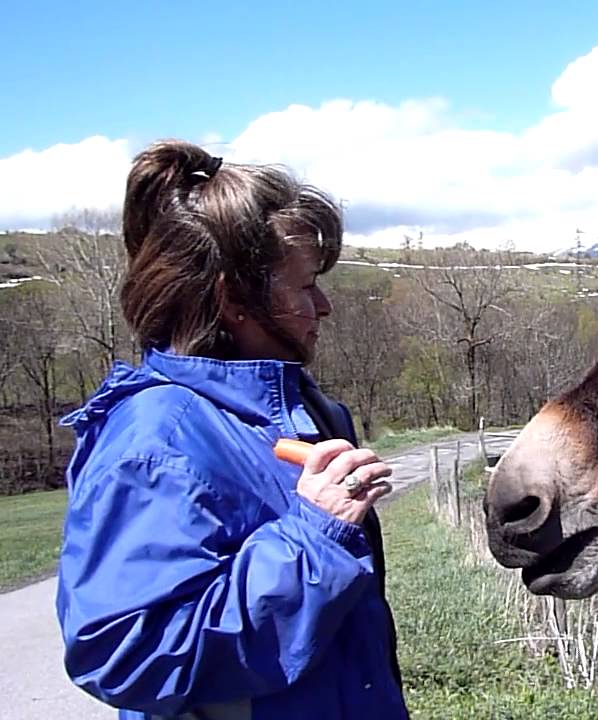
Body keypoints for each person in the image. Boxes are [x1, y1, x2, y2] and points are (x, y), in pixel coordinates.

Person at [54, 140, 409, 719]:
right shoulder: (157, 439)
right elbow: (124, 654)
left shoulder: (311, 413)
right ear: (234, 298)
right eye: (304, 284)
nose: (324, 306)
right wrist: (314, 537)